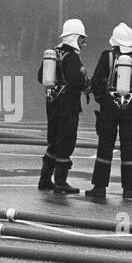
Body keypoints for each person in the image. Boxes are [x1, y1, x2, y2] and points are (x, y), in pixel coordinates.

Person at [86, 23, 132, 200]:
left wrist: (102, 99)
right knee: (128, 148)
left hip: (109, 107)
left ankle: (99, 188)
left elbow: (96, 81)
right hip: (131, 108)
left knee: (105, 147)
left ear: (114, 41)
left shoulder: (107, 57)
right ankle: (129, 189)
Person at [37, 18, 89, 194]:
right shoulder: (72, 57)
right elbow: (76, 80)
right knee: (66, 143)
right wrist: (85, 82)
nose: (84, 42)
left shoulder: (52, 54)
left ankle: (45, 179)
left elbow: (40, 77)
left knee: (53, 141)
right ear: (74, 37)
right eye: (82, 38)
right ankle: (60, 181)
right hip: (68, 107)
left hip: (52, 106)